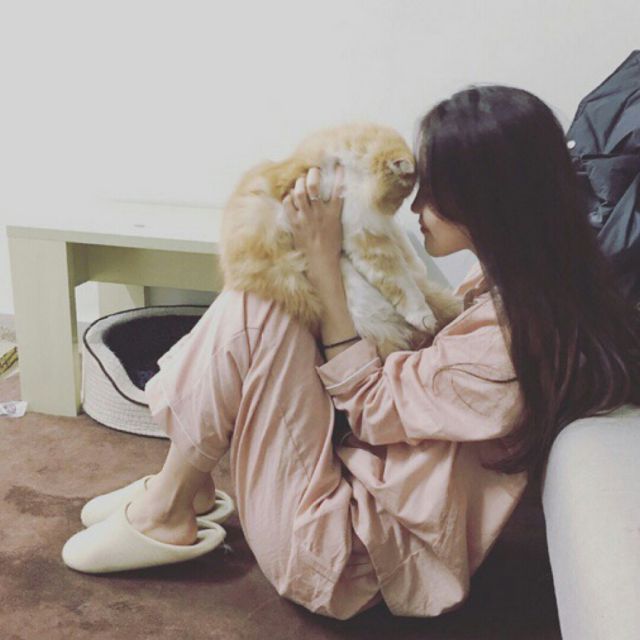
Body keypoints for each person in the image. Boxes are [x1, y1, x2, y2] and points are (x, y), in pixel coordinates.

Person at [62, 85, 640, 620]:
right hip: (358, 494)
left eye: (435, 194)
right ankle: (187, 486)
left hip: (346, 558)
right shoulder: (535, 287)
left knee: (260, 302)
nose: (416, 207)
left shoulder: (511, 344)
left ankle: (170, 506)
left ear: (489, 202)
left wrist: (323, 262)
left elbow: (372, 407)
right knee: (278, 291)